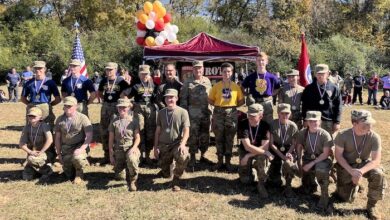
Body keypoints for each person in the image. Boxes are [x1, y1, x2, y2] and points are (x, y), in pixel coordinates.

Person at [334, 110, 386, 219]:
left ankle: (371, 206)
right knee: (344, 198)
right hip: (347, 166)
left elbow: (376, 160)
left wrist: (360, 172)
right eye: (366, 124)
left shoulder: (374, 136)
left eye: (370, 124)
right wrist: (351, 171)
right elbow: (338, 156)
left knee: (378, 174)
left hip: (363, 165)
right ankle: (355, 185)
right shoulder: (342, 135)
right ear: (354, 123)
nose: (369, 127)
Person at [208, 62, 244, 171]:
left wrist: (230, 107)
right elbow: (210, 99)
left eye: (229, 71)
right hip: (218, 112)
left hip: (231, 113)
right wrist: (220, 107)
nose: (226, 73)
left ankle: (228, 163)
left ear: (232, 73)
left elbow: (241, 101)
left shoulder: (236, 86)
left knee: (229, 138)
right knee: (219, 137)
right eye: (224, 71)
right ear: (221, 73)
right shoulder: (216, 86)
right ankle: (219, 162)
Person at [153, 89, 190, 191]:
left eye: (172, 97)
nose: (170, 99)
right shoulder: (160, 113)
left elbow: (187, 131)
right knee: (165, 174)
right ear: (165, 99)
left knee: (183, 156)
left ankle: (176, 179)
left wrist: (182, 144)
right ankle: (166, 169)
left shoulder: (183, 112)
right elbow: (157, 132)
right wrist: (155, 147)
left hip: (176, 144)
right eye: (167, 97)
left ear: (176, 98)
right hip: (163, 145)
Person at [296, 111, 333, 209]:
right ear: (307, 122)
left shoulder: (325, 134)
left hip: (322, 159)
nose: (313, 123)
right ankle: (311, 184)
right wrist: (299, 160)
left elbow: (326, 154)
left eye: (315, 121)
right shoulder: (302, 132)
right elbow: (299, 146)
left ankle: (324, 195)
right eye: (310, 121)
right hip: (308, 158)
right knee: (306, 186)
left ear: (320, 121)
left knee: (320, 168)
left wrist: (312, 163)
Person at [122, 65, 157, 165]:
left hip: (150, 109)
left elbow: (156, 96)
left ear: (149, 74)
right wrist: (129, 104)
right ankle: (140, 155)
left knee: (150, 132)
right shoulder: (135, 85)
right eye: (142, 74)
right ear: (139, 74)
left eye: (146, 74)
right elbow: (124, 94)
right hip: (139, 109)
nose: (144, 76)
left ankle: (148, 155)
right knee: (140, 131)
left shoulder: (153, 84)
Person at [237, 103, 273, 198]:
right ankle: (249, 173)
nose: (250, 118)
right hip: (245, 151)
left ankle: (261, 183)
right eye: (249, 115)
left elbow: (264, 147)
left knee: (261, 157)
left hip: (259, 151)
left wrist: (249, 156)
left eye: (253, 116)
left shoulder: (265, 126)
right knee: (245, 181)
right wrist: (265, 152)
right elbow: (247, 147)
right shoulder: (243, 124)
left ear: (260, 116)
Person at [180, 61, 212, 166]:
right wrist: (185, 115)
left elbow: (210, 97)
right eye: (196, 68)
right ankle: (192, 156)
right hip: (192, 115)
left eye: (200, 68)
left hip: (205, 113)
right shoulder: (187, 82)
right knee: (193, 136)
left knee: (205, 135)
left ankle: (203, 155)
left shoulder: (207, 81)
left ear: (203, 69)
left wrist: (211, 110)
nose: (198, 70)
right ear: (193, 69)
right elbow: (183, 99)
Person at [54, 96, 93, 184]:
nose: (67, 108)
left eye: (70, 106)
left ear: (76, 106)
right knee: (68, 175)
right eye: (66, 106)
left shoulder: (83, 118)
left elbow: (89, 136)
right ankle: (70, 171)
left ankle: (79, 174)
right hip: (66, 148)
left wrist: (82, 149)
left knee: (77, 157)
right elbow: (57, 137)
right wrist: (59, 153)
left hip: (79, 146)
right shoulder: (60, 119)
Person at [98, 62, 130, 165]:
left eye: (111, 69)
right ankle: (106, 155)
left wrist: (121, 100)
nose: (109, 71)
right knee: (104, 131)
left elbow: (128, 92)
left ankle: (117, 155)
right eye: (107, 69)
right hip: (106, 107)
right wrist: (106, 100)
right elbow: (99, 93)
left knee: (116, 131)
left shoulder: (121, 81)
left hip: (117, 107)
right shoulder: (103, 80)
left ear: (115, 70)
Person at [108, 98, 140, 191]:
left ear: (129, 107)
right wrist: (111, 155)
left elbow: (138, 137)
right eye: (119, 107)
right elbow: (111, 139)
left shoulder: (134, 121)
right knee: (120, 177)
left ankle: (133, 180)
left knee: (131, 159)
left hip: (130, 148)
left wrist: (134, 148)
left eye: (124, 107)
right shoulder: (114, 121)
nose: (122, 109)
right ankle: (124, 169)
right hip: (118, 150)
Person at [301, 64, 342, 136]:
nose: (320, 76)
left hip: (328, 121)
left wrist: (337, 122)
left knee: (328, 143)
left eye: (323, 73)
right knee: (312, 142)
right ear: (315, 74)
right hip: (312, 120)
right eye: (318, 73)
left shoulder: (334, 88)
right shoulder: (309, 88)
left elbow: (338, 106)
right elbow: (304, 105)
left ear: (328, 74)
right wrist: (305, 119)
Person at [268, 104, 299, 197]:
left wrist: (288, 154)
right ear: (278, 114)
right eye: (282, 113)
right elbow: (271, 143)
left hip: (289, 148)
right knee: (275, 182)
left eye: (287, 113)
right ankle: (273, 177)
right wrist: (281, 156)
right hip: (276, 148)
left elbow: (294, 143)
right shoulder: (273, 124)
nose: (285, 116)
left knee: (289, 164)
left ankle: (288, 186)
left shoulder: (293, 126)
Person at [241, 52, 281, 124]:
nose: (260, 62)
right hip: (254, 102)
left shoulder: (272, 77)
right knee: (254, 123)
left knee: (268, 123)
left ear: (266, 62)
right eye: (258, 60)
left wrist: (271, 94)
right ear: (256, 62)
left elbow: (277, 88)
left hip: (267, 103)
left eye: (262, 60)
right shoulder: (251, 77)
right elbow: (242, 87)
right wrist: (247, 95)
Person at [21, 61, 61, 128]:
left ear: (44, 69)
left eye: (40, 68)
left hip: (45, 108)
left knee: (47, 127)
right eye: (36, 68)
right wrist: (30, 104)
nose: (38, 70)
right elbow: (23, 98)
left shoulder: (50, 82)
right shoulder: (29, 83)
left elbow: (58, 99)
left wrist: (49, 105)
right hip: (32, 107)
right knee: (31, 128)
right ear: (33, 69)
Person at [19, 107, 54, 181]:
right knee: (26, 177)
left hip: (46, 152)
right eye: (29, 116)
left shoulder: (44, 126)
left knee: (32, 159)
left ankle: (48, 170)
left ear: (40, 117)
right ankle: (39, 170)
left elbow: (50, 140)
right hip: (33, 152)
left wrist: (41, 152)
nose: (31, 117)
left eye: (34, 116)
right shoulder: (27, 127)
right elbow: (21, 144)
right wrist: (30, 152)